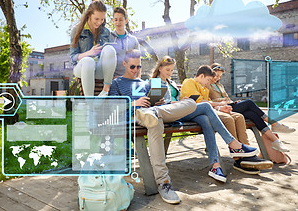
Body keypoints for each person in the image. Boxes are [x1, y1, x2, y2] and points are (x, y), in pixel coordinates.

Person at [109, 50, 259, 204]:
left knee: (194, 104)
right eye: (132, 67)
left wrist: (157, 103)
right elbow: (111, 107)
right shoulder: (117, 83)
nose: (136, 70)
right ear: (124, 64)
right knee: (154, 123)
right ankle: (164, 183)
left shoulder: (145, 83)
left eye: (139, 67)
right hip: (137, 117)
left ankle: (233, 144)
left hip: (156, 111)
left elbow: (155, 100)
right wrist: (133, 103)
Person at [175, 63, 272, 174]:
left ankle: (247, 154)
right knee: (228, 119)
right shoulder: (189, 82)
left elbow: (208, 104)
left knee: (239, 116)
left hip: (211, 111)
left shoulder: (204, 88)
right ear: (201, 76)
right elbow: (199, 103)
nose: (208, 83)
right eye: (207, 80)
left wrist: (221, 107)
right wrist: (219, 107)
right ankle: (238, 158)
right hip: (196, 114)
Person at [208, 63, 296, 153]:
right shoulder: (207, 85)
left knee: (253, 114)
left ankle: (275, 141)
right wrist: (224, 101)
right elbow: (209, 100)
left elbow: (227, 98)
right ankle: (274, 124)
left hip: (229, 105)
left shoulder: (220, 86)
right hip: (221, 109)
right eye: (217, 75)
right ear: (211, 73)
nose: (218, 78)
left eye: (220, 76)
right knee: (249, 102)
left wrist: (232, 102)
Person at [70, 0, 116, 96]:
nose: (99, 22)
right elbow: (73, 57)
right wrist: (89, 53)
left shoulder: (106, 32)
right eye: (96, 19)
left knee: (110, 49)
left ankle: (106, 89)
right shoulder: (77, 30)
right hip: (82, 68)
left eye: (102, 19)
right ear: (89, 15)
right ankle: (90, 103)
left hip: (99, 69)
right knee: (88, 61)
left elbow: (109, 58)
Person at [110, 7, 139, 77]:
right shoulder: (108, 38)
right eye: (116, 20)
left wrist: (138, 77)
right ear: (112, 21)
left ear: (126, 21)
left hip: (130, 78)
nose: (118, 22)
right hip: (113, 79)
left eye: (120, 20)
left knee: (156, 85)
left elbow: (138, 61)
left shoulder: (133, 40)